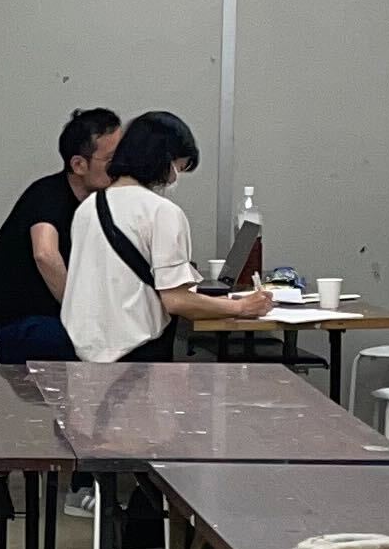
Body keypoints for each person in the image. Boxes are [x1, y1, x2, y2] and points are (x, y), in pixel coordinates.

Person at [60, 111, 276, 364]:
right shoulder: (162, 212)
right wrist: (242, 307)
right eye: (180, 167)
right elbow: (177, 300)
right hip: (136, 356)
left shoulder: (88, 208)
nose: (175, 176)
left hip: (82, 354)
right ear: (164, 159)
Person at [0, 107, 120, 362]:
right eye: (111, 159)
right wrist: (84, 314)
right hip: (30, 324)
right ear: (79, 164)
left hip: (49, 322)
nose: (121, 166)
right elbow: (45, 254)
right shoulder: (47, 195)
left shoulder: (97, 205)